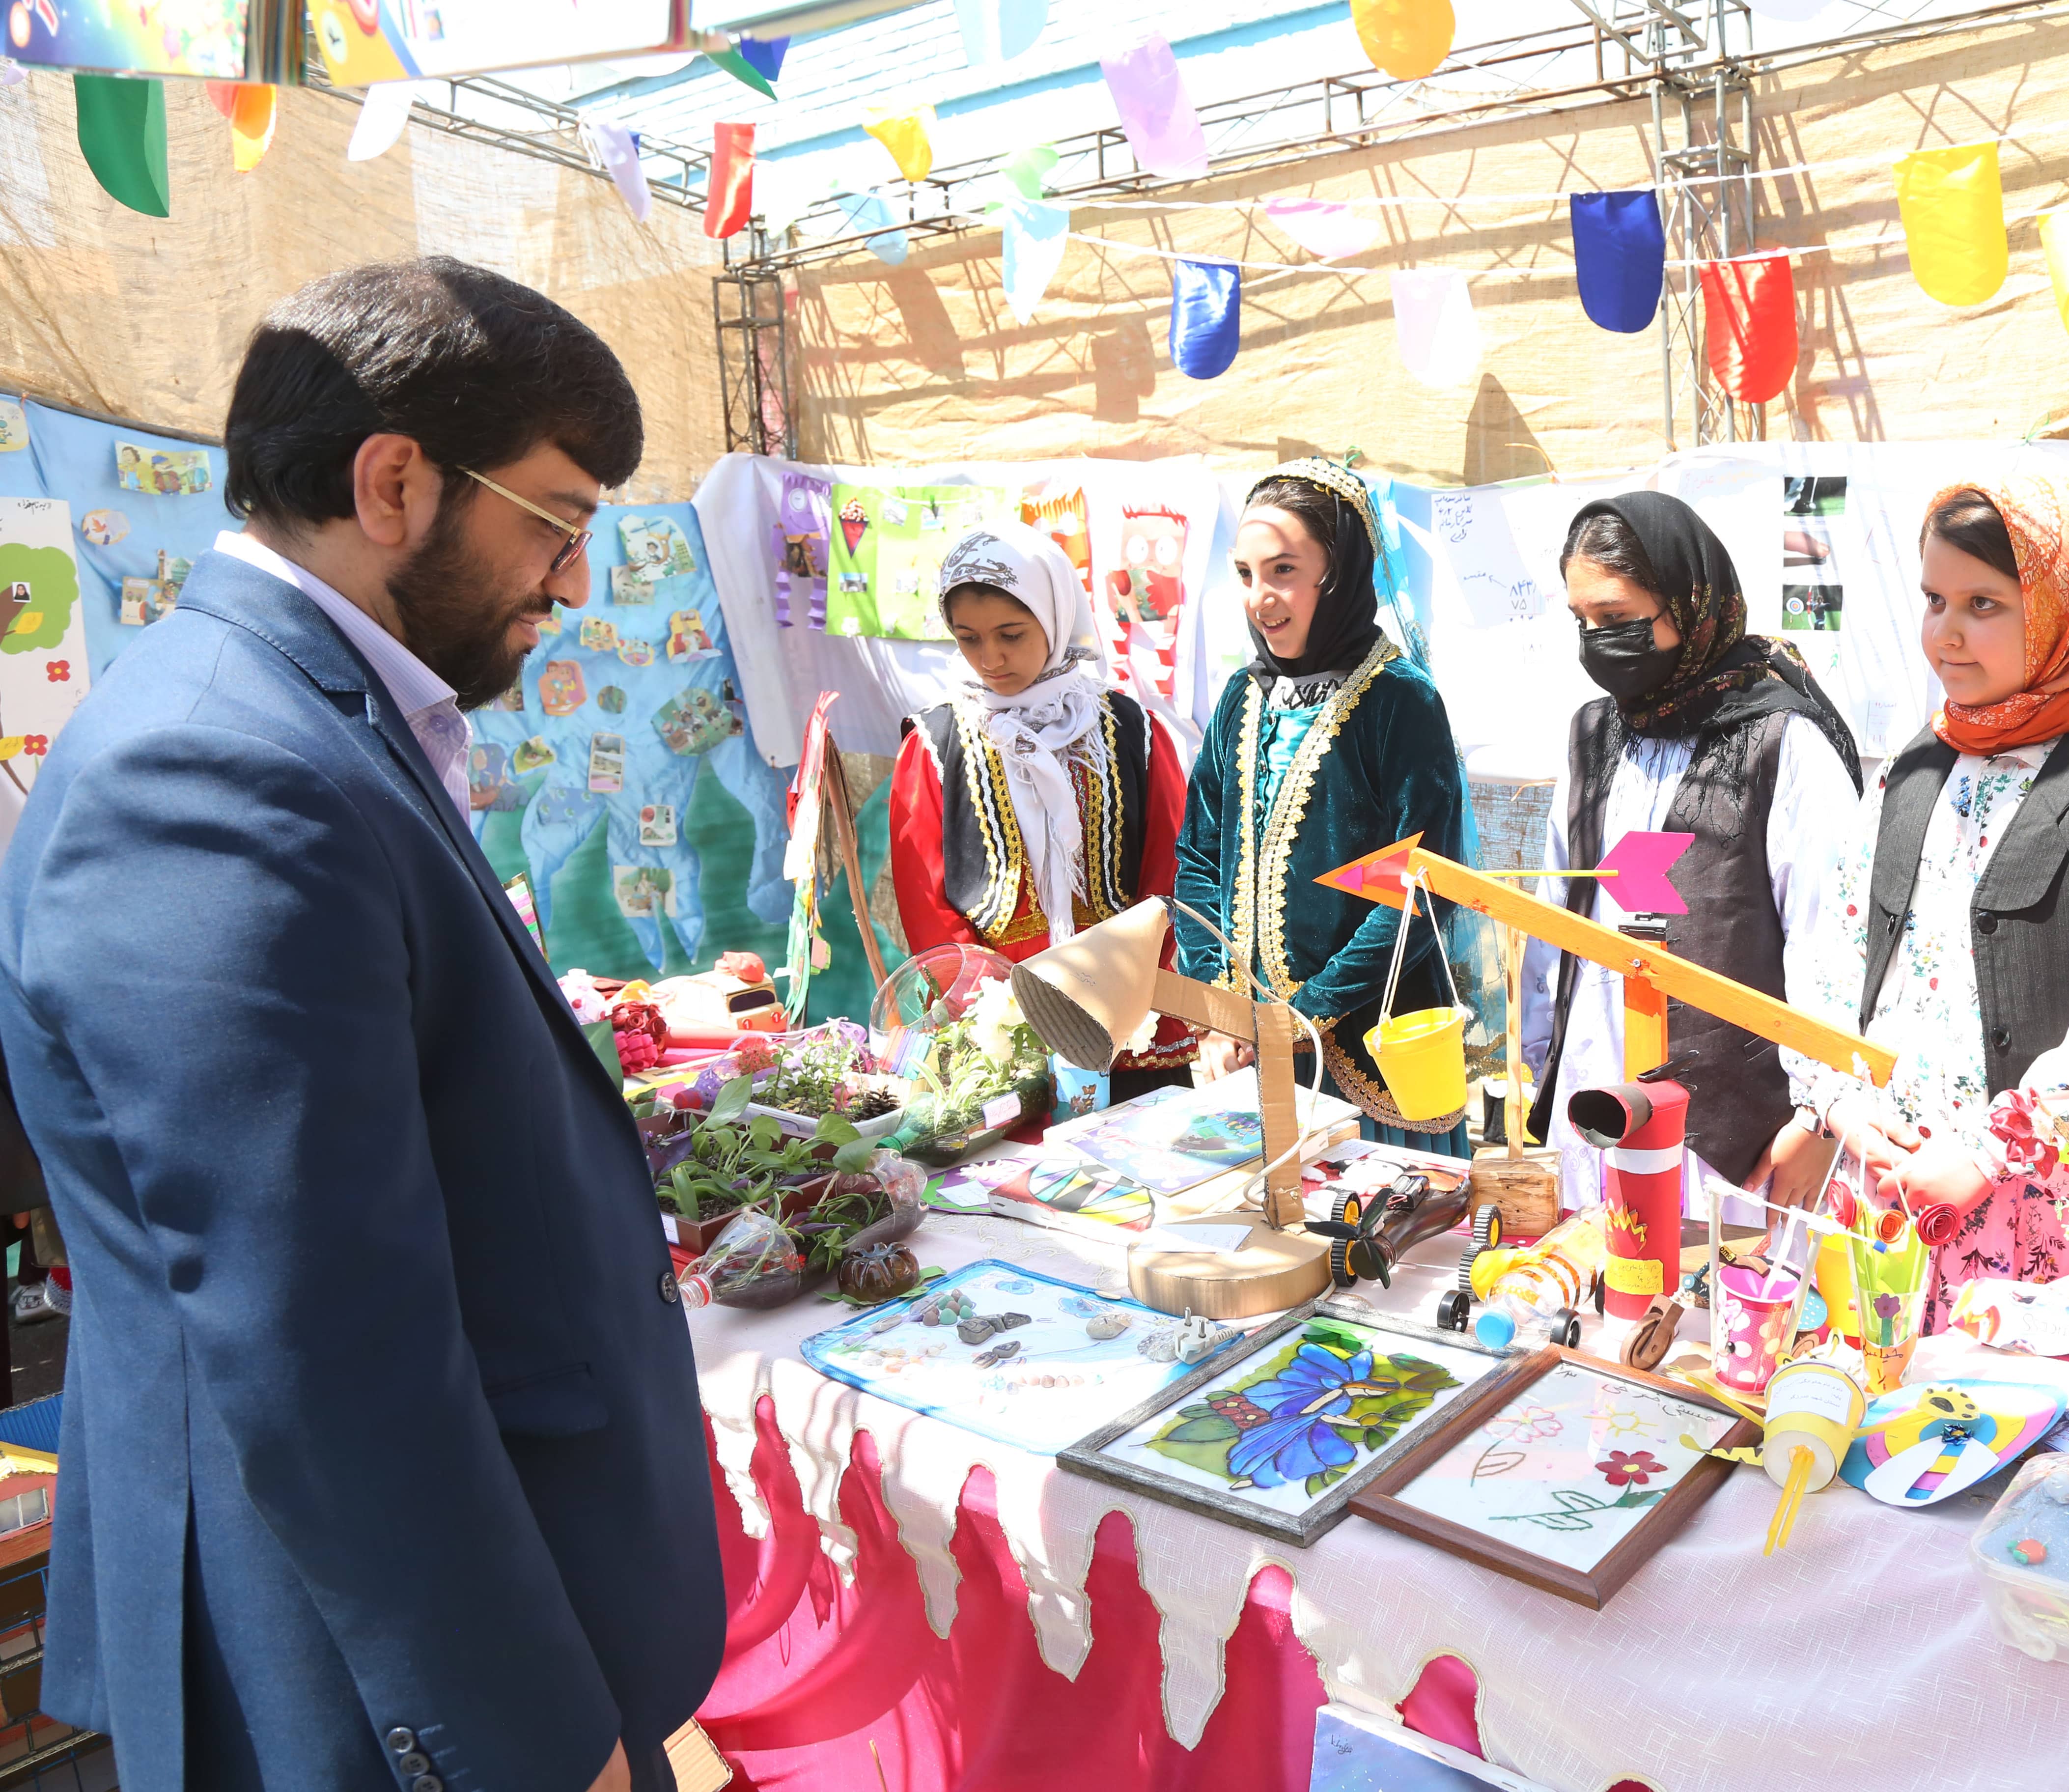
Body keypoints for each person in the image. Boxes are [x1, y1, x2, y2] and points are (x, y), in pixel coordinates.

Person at [0, 260, 721, 1792]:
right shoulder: (210, 773)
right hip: (374, 1688)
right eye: (560, 518)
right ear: (396, 481)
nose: (577, 580)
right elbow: (324, 1351)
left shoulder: (306, 717)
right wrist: (535, 1739)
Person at [1794, 470, 2069, 1328]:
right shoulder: (1919, 763)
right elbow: (1836, 946)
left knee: (2018, 1441)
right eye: (1933, 600)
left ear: (2062, 607)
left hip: (2044, 1220)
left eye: (1983, 605)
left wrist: (1990, 1149)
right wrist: (1836, 1097)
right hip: (1880, 1198)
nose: (1945, 636)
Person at [1521, 492, 1862, 1229]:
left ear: (1688, 601)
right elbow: (1559, 905)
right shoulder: (1591, 735)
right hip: (1596, 1087)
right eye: (1582, 622)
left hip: (1736, 1124)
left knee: (1719, 1325)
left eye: (1616, 620)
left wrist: (1820, 1114)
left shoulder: (1780, 742)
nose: (1597, 642)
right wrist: (1541, 1056)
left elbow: (1831, 942)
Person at [1174, 457, 1489, 1148]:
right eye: (1246, 574)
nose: (1261, 597)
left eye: (1284, 570)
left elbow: (1423, 884)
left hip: (1376, 1053)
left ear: (1339, 571)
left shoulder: (1398, 701)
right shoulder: (1241, 696)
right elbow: (1198, 855)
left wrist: (1303, 1014)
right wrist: (1220, 1008)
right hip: (1251, 1047)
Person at [888, 521, 1197, 1098]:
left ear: (1054, 619)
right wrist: (994, 1002)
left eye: (1011, 633)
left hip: (1126, 1009)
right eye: (969, 638)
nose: (992, 658)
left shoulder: (1131, 731)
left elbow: (1170, 865)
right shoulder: (936, 744)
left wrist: (1130, 975)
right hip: (998, 1022)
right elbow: (924, 899)